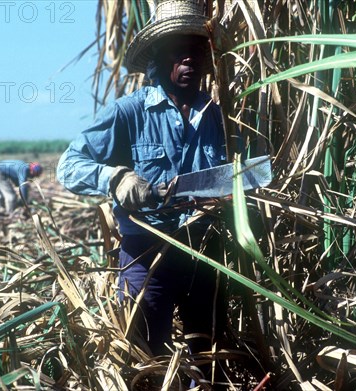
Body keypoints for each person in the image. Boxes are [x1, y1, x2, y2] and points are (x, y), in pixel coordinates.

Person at [56, 0, 228, 380]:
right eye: (177, 53)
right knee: (145, 361)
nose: (188, 62)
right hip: (147, 256)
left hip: (205, 254)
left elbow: (236, 176)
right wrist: (117, 179)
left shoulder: (216, 115)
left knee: (210, 359)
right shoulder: (129, 112)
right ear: (158, 58)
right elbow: (68, 165)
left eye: (196, 52)